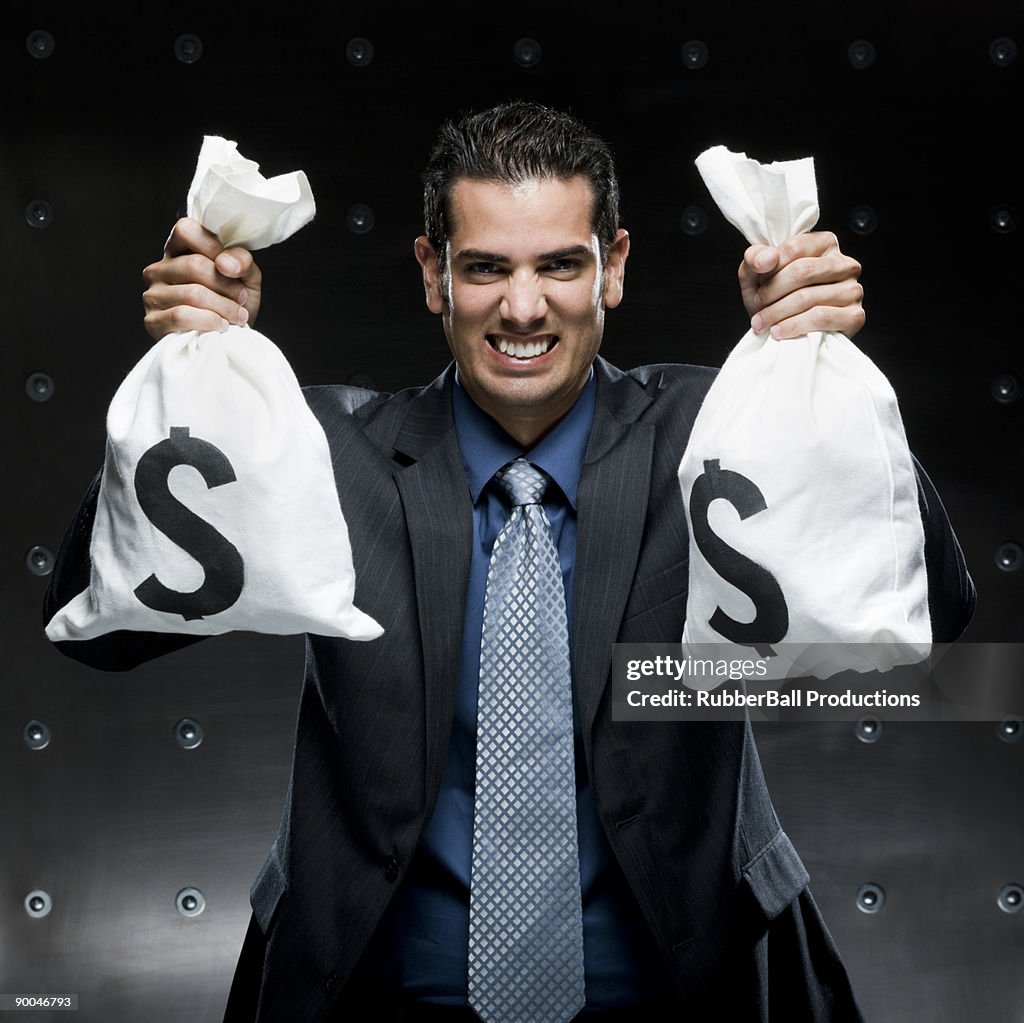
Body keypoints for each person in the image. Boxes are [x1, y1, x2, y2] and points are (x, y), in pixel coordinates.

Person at [46, 101, 974, 1021]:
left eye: (559, 265)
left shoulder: (713, 435)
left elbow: (931, 602)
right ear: (433, 275)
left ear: (611, 267)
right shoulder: (322, 452)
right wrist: (196, 375)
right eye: (485, 267)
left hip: (691, 994)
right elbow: (102, 627)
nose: (522, 307)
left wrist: (819, 369)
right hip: (374, 999)